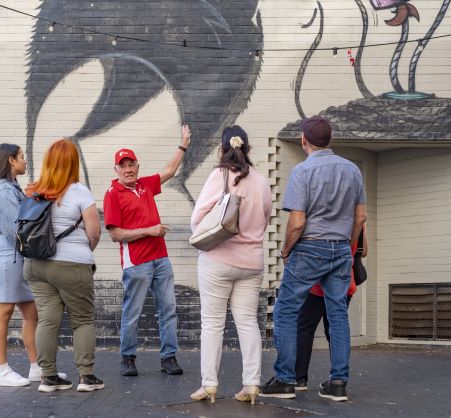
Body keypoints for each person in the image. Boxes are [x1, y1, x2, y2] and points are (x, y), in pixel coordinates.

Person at [260, 116, 366, 402]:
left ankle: (285, 379)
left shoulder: (302, 171)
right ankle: (338, 383)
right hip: (340, 250)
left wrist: (285, 250)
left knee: (285, 311)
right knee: (338, 315)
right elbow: (360, 217)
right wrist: (348, 243)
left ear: (304, 140)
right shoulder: (352, 170)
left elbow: (296, 222)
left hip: (309, 248)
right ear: (329, 140)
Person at [189, 126, 272, 405]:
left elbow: (197, 218)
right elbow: (265, 218)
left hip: (218, 260)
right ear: (248, 149)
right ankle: (251, 385)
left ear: (221, 150)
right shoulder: (261, 181)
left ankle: (209, 386)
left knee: (212, 323)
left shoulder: (219, 176)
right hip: (252, 262)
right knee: (248, 322)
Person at [103, 124, 191, 376]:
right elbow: (114, 234)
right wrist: (149, 231)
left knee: (168, 309)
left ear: (137, 166)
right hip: (137, 263)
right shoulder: (113, 194)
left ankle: (169, 358)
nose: (128, 169)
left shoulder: (145, 185)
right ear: (116, 169)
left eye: (131, 165)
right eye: (123, 166)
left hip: (160, 258)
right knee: (133, 312)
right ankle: (128, 359)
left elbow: (171, 170)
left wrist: (183, 143)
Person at [23, 139, 104, 393]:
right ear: (73, 163)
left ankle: (48, 377)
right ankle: (86, 376)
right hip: (71, 264)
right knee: (82, 319)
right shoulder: (79, 191)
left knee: (47, 320)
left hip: (35, 264)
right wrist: (83, 252)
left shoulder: (33, 191)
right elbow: (94, 231)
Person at [0, 143, 39, 387]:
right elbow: (16, 227)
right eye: (22, 157)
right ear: (11, 160)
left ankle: (37, 366)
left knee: (31, 313)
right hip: (7, 254)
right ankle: (1, 371)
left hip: (15, 254)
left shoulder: (11, 187)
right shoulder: (2, 190)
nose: (26, 161)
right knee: (1, 313)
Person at [294, 228, 368, 391]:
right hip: (345, 281)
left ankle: (298, 379)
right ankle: (338, 381)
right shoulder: (356, 213)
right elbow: (363, 251)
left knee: (304, 328)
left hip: (317, 282)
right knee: (336, 329)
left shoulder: (325, 212)